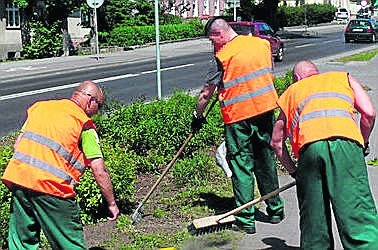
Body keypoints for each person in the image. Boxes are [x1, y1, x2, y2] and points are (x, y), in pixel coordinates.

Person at [271, 60, 378, 249]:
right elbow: (369, 113)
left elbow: (277, 143)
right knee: (357, 215)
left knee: (314, 222)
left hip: (309, 151)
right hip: (346, 145)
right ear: (317, 72)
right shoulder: (343, 78)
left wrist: (294, 171)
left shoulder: (292, 92)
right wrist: (362, 143)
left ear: (296, 78)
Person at [191, 17, 284, 234]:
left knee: (242, 165)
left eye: (211, 40)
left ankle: (246, 219)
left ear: (219, 35)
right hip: (265, 110)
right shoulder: (262, 44)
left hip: (238, 117)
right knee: (265, 160)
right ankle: (276, 210)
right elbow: (262, 73)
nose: (212, 45)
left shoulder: (223, 56)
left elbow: (206, 93)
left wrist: (197, 116)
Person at [1, 81, 120, 249]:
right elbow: (99, 170)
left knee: (22, 243)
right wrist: (111, 204)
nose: (97, 112)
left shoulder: (40, 108)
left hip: (20, 181)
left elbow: (17, 145)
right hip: (53, 189)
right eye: (98, 106)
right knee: (69, 244)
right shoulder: (84, 124)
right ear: (90, 101)